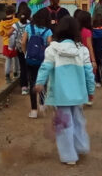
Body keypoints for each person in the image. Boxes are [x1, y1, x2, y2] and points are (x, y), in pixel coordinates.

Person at [35, 16, 95, 165]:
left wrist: (39, 82)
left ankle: (69, 156)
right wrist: (91, 90)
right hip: (78, 94)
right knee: (79, 121)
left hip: (60, 95)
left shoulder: (52, 50)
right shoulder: (82, 51)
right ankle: (81, 146)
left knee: (64, 125)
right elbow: (89, 72)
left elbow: (45, 68)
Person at [22, 7, 53, 118]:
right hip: (42, 59)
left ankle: (33, 110)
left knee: (32, 82)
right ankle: (42, 103)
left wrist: (26, 53)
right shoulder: (48, 30)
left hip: (30, 59)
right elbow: (50, 43)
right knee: (43, 81)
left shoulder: (29, 27)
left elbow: (23, 42)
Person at [12, 2, 31, 95]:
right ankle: (31, 84)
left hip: (19, 49)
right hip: (29, 48)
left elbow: (9, 34)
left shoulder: (16, 25)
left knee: (22, 67)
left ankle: (24, 87)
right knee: (30, 67)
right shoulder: (30, 24)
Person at [0, 5, 19, 82]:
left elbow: (0, 32)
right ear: (13, 12)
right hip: (15, 43)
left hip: (6, 43)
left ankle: (7, 75)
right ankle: (16, 73)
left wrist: (5, 35)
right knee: (16, 58)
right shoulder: (16, 20)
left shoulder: (2, 22)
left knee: (8, 59)